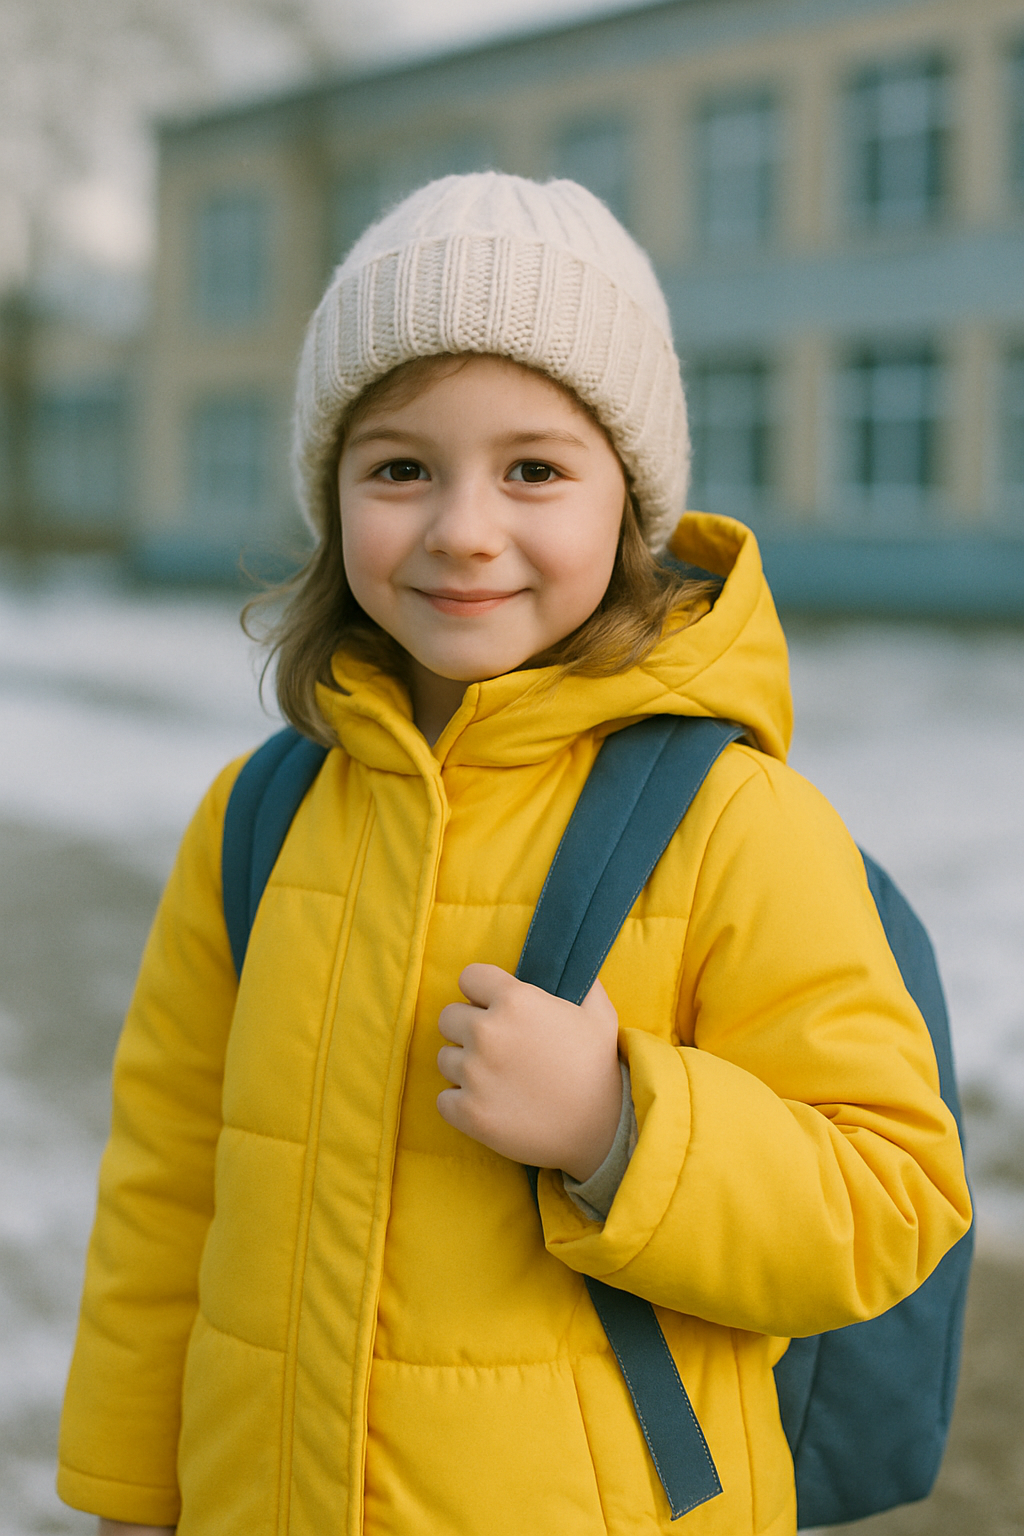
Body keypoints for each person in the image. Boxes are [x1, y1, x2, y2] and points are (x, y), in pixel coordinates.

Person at [57, 173, 971, 1536]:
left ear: (629, 503)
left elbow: (893, 1198)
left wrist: (621, 1129)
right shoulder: (259, 820)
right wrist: (131, 1494)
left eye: (534, 467)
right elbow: (167, 1190)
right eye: (400, 467)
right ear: (334, 494)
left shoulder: (737, 822)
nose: (463, 527)